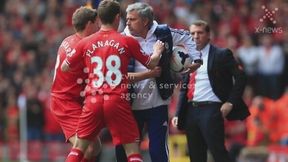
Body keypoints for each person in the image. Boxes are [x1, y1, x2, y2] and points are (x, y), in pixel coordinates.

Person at [61, 0, 165, 162]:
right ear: (118, 18)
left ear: (100, 18)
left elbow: (65, 67)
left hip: (92, 101)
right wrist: (157, 51)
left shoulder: (85, 42)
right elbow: (151, 63)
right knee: (132, 151)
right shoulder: (127, 41)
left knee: (78, 149)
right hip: (117, 101)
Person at [116, 2, 202, 162]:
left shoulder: (163, 33)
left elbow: (188, 36)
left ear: (145, 21)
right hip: (130, 106)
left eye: (132, 19)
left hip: (158, 104)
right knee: (124, 153)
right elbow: (118, 76)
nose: (127, 22)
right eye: (127, 18)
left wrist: (196, 58)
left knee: (158, 152)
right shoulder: (121, 39)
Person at [172, 20, 250, 162]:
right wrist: (178, 112)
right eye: (192, 33)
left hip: (212, 108)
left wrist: (230, 103)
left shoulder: (222, 54)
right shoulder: (186, 56)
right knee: (195, 155)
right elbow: (185, 86)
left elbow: (241, 77)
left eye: (200, 32)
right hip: (191, 110)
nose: (195, 36)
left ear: (209, 35)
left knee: (218, 152)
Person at [50, 6, 101, 162]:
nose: (99, 27)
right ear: (89, 24)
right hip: (66, 103)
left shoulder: (69, 40)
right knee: (88, 148)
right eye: (96, 23)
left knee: (95, 147)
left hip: (72, 101)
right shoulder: (82, 49)